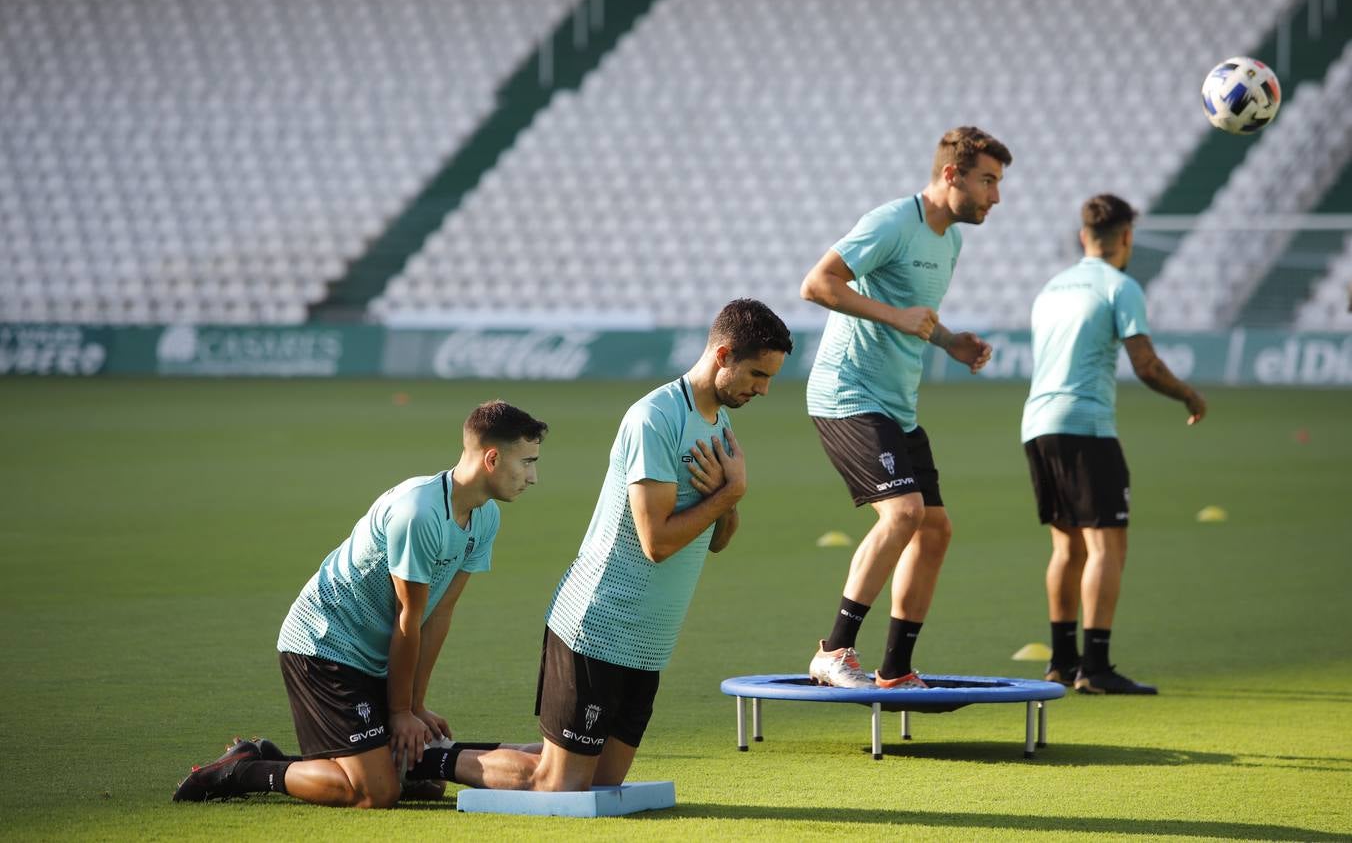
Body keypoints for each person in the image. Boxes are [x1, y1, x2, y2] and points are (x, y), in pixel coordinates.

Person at [456, 298, 793, 792]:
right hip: (600, 623)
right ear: (723, 356)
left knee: (600, 781)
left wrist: (728, 499)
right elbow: (655, 542)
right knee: (560, 784)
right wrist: (732, 492)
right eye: (758, 375)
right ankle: (429, 760)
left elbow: (718, 540)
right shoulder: (654, 418)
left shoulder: (720, 425)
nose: (763, 390)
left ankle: (456, 755)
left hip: (650, 639)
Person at [173, 401, 549, 806]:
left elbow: (439, 614)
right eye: (526, 462)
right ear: (492, 458)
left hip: (375, 656)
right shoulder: (418, 513)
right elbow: (410, 616)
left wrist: (415, 706)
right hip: (323, 646)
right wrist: (400, 712)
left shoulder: (486, 517)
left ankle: (335, 756)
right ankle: (245, 769)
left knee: (424, 783)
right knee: (375, 792)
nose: (533, 477)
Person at [801, 126, 1011, 689]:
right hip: (847, 394)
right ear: (951, 175)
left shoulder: (951, 241)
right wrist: (896, 318)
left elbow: (915, 312)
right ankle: (834, 651)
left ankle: (895, 671)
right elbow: (817, 284)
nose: (996, 196)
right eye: (987, 181)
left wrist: (950, 342)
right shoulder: (893, 221)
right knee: (904, 513)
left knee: (935, 530)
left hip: (897, 407)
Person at [1022, 193, 1206, 695]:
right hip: (1086, 427)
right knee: (1108, 546)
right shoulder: (1121, 287)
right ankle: (1096, 668)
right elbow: (1145, 365)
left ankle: (1062, 661)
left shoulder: (1051, 287)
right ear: (1126, 237)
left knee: (1066, 545)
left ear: (1084, 237)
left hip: (1038, 425)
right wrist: (1188, 394)